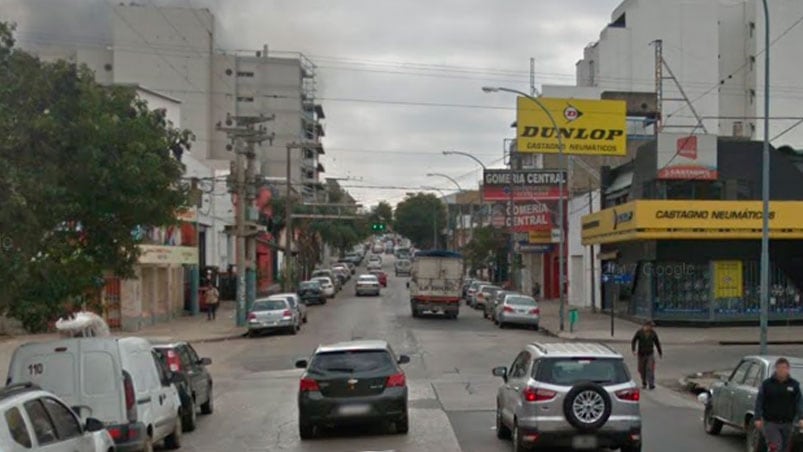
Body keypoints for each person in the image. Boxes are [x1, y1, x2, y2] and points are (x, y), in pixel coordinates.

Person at [754, 357, 803, 452]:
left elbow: (799, 402)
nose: (782, 370)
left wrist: (801, 417)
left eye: (784, 368)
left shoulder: (794, 385)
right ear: (776, 369)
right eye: (779, 368)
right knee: (776, 447)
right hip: (770, 423)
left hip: (787, 423)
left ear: (788, 369)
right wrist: (757, 418)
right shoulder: (767, 384)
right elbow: (759, 401)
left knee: (784, 448)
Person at [631, 321, 662, 390]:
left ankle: (651, 384)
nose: (651, 327)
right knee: (641, 369)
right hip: (641, 354)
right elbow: (634, 341)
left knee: (650, 368)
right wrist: (633, 350)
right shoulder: (639, 332)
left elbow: (657, 343)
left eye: (652, 326)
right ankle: (644, 382)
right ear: (646, 326)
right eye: (650, 326)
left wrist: (660, 352)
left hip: (650, 353)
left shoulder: (653, 333)